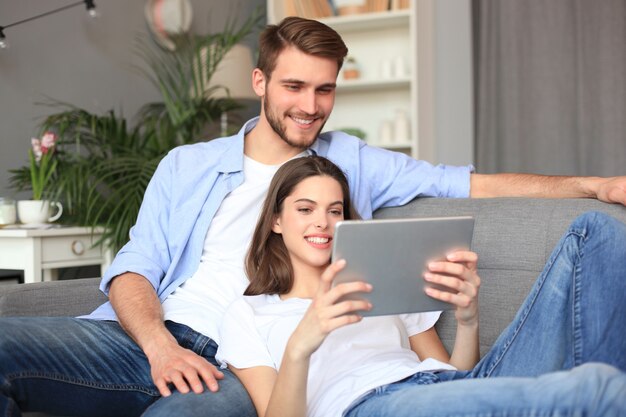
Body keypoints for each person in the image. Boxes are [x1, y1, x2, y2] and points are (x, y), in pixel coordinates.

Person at [1, 15, 626, 417]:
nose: (309, 106)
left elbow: (466, 181)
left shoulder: (349, 163)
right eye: (294, 87)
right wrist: (160, 345)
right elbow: (136, 269)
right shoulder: (190, 164)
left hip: (240, 369)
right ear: (260, 82)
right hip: (152, 337)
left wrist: (593, 184)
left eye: (324, 90)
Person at [216, 155, 626, 417]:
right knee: (597, 388)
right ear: (276, 220)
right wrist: (302, 342)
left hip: (441, 391)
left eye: (334, 210)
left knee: (595, 231)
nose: (322, 222)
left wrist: (468, 319)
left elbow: (453, 377)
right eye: (305, 209)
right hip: (373, 405)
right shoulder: (249, 313)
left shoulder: (380, 276)